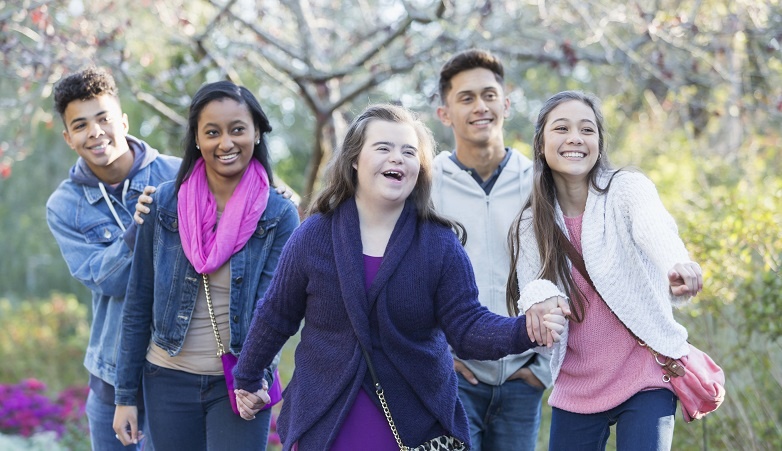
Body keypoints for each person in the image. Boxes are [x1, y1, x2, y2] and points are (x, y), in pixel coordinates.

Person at [230, 104, 567, 450]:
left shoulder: (439, 244)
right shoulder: (314, 235)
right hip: (326, 419)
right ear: (354, 160)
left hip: (415, 423)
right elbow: (276, 314)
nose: (397, 159)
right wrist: (248, 377)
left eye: (409, 152)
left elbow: (467, 327)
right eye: (383, 148)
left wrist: (525, 328)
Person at [507, 90, 703, 450]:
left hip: (644, 374)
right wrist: (543, 305)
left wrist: (676, 264)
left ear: (599, 141)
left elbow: (655, 228)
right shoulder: (531, 222)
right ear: (541, 143)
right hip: (576, 383)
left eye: (587, 129)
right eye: (561, 128)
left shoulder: (626, 189)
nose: (575, 139)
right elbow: (533, 285)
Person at [112, 80, 300, 450]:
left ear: (257, 132)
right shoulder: (164, 204)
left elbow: (275, 313)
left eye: (237, 129)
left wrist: (256, 379)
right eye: (212, 132)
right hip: (166, 378)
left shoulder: (278, 215)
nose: (225, 143)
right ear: (197, 139)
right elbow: (138, 304)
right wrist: (125, 396)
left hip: (239, 382)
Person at [47, 66, 181, 450]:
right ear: (68, 137)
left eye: (103, 118)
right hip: (110, 377)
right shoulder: (65, 205)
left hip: (178, 371)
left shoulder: (179, 174)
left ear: (122, 120)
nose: (95, 132)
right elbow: (106, 280)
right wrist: (138, 229)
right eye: (81, 125)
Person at [432, 48, 551, 450]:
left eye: (488, 94)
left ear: (506, 102)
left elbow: (566, 273)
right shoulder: (424, 185)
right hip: (453, 379)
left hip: (524, 378)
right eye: (466, 98)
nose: (480, 106)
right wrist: (435, 358)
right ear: (444, 113)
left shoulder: (539, 181)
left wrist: (544, 368)